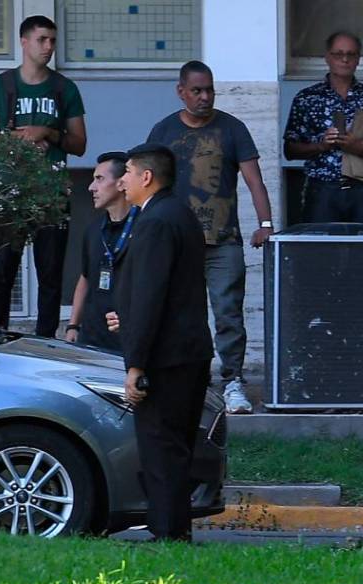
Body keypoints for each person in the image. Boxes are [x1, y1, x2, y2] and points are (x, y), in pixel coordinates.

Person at [146, 60, 274, 414]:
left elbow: (254, 180)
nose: (205, 97)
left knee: (229, 314)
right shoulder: (164, 131)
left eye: (210, 90)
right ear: (181, 91)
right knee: (181, 317)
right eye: (197, 91)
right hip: (176, 242)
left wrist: (265, 222)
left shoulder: (232, 128)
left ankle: (232, 381)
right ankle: (189, 382)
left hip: (224, 241)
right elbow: (148, 184)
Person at [112, 143, 213, 542]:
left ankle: (168, 533)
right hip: (188, 350)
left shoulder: (154, 221)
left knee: (160, 449)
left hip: (166, 357)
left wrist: (136, 364)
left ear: (146, 177)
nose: (123, 180)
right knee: (176, 447)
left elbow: (152, 293)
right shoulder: (179, 214)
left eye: (129, 172)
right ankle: (174, 529)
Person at [0, 15, 87, 337]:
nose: (49, 47)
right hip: (8, 193)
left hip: (51, 194)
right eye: (42, 40)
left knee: (50, 276)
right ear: (24, 42)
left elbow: (79, 144)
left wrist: (48, 133)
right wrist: (17, 139)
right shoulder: (2, 85)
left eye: (53, 40)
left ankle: (45, 344)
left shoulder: (65, 88)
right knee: (0, 273)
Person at [283, 31, 363, 223]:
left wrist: (355, 146)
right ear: (327, 57)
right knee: (322, 249)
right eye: (338, 54)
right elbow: (290, 150)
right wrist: (322, 145)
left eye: (351, 54)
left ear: (358, 59)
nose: (345, 59)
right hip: (322, 189)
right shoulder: (307, 98)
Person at [64, 152, 133, 352]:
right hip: (92, 336)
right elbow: (85, 278)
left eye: (99, 179)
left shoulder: (143, 228)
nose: (91, 187)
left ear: (121, 183)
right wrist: (73, 325)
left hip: (125, 336)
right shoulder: (95, 230)